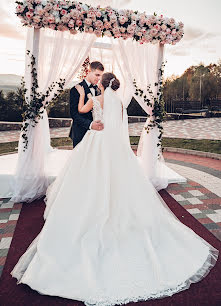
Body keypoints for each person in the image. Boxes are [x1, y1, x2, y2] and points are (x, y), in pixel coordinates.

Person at [11, 72, 218, 306]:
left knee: (89, 180)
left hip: (97, 142)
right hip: (115, 148)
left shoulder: (97, 99)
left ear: (101, 83)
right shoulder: (119, 102)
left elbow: (81, 111)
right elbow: (117, 125)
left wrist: (82, 95)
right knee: (120, 183)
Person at [69, 61, 104, 147]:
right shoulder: (76, 89)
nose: (99, 78)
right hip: (80, 133)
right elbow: (74, 115)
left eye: (100, 76)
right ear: (89, 72)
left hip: (96, 135)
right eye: (97, 75)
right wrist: (91, 125)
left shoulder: (99, 90)